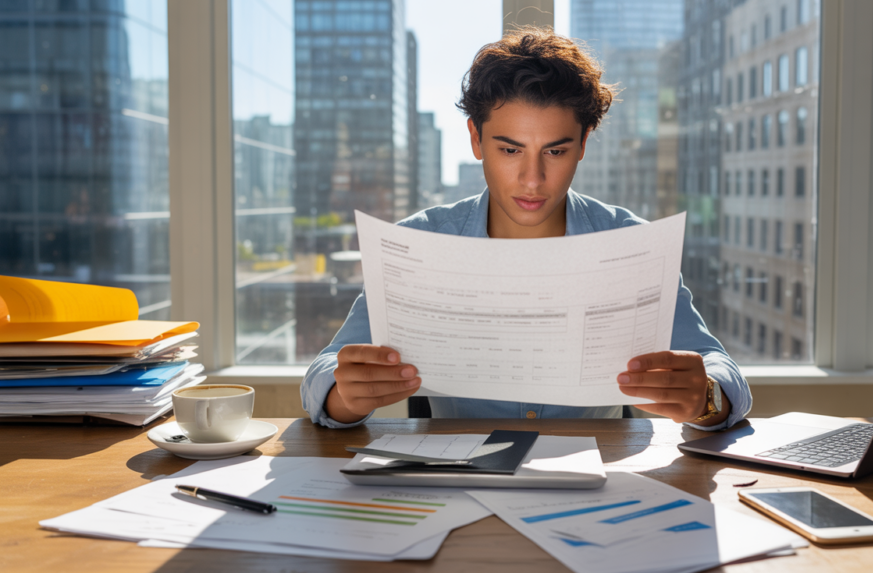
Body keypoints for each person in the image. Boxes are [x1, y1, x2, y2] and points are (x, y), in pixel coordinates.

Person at [301, 28, 751, 431]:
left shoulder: (631, 243)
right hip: (458, 483)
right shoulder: (421, 243)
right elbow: (324, 373)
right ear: (476, 140)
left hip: (600, 486)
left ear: (583, 145)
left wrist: (705, 396)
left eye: (554, 152)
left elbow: (721, 373)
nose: (532, 180)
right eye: (511, 149)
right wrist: (345, 397)